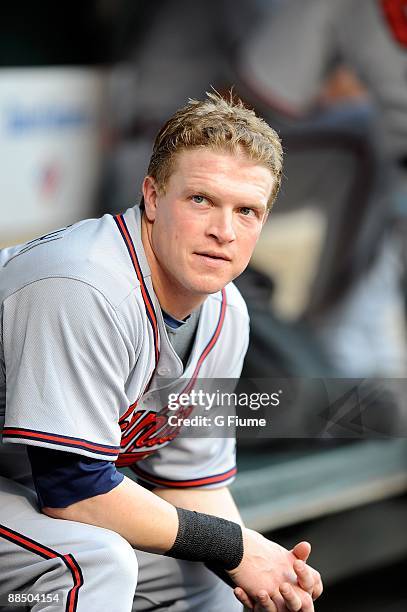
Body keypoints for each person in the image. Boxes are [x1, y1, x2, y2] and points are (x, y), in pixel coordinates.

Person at [0, 93, 323, 612]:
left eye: (247, 211)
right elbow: (74, 492)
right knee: (94, 561)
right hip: (45, 493)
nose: (224, 231)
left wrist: (265, 572)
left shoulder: (226, 312)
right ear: (152, 197)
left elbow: (191, 484)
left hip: (21, 493)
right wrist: (236, 547)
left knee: (209, 578)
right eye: (201, 200)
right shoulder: (84, 283)